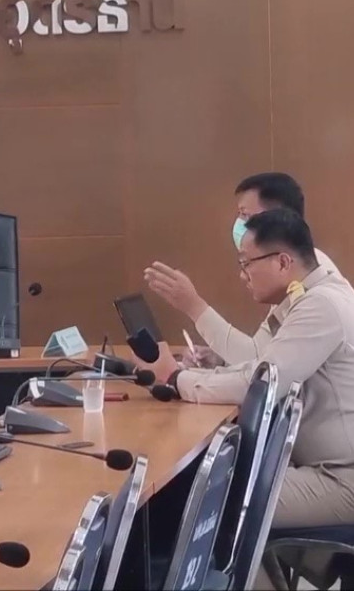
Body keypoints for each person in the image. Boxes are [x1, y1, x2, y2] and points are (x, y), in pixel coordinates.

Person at [137, 209, 354, 530]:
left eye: (246, 263)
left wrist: (175, 377)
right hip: (322, 468)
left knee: (200, 499)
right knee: (193, 486)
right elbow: (261, 365)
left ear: (282, 262)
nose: (242, 275)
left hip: (341, 479)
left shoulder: (320, 304)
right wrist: (198, 373)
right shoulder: (310, 297)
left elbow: (259, 384)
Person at [145, 172, 343, 367]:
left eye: (245, 215)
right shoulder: (296, 269)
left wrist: (193, 306)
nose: (239, 224)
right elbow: (260, 355)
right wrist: (220, 361)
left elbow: (261, 368)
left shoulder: (308, 282)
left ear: (275, 218)